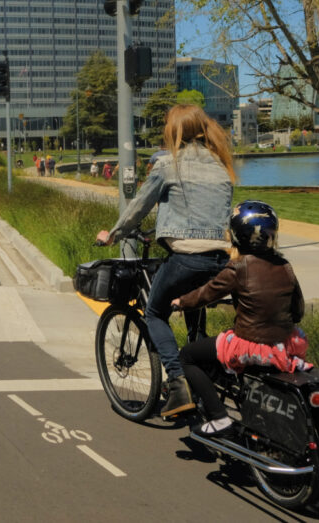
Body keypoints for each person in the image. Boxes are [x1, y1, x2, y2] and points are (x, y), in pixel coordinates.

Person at [96, 104, 236, 419]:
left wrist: (114, 234)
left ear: (175, 131)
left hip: (187, 257)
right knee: (192, 309)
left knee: (155, 312)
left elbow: (139, 207)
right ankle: (203, 372)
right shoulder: (220, 165)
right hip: (221, 259)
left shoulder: (168, 165)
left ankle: (177, 381)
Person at [171, 200, 308, 437]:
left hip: (249, 344)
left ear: (236, 235)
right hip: (284, 344)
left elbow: (207, 293)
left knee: (188, 356)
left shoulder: (238, 267)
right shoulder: (285, 266)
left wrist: (182, 302)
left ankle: (218, 418)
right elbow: (298, 312)